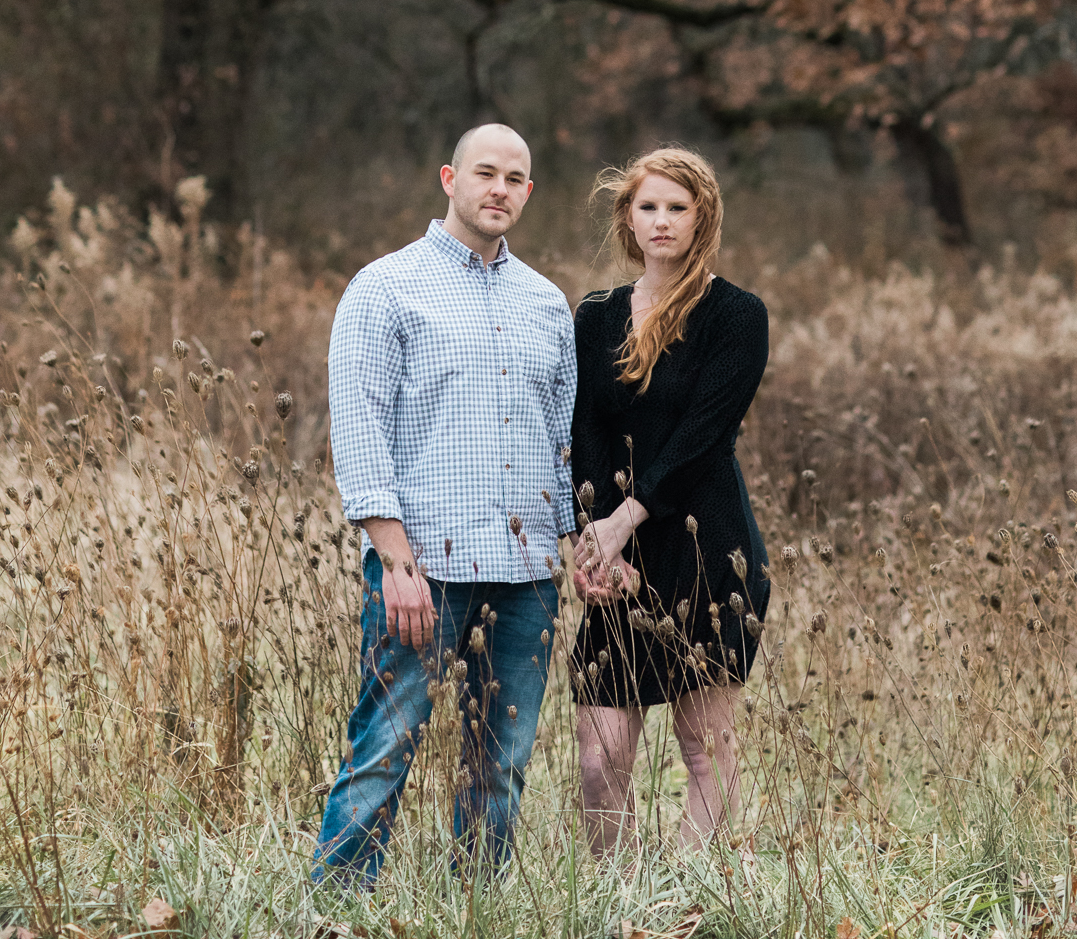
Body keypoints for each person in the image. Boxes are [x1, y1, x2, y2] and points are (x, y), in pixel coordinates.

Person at [312, 123, 577, 887]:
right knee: (383, 751)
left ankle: (475, 909)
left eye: (514, 178)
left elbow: (558, 445)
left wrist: (572, 548)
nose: (499, 189)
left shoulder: (546, 304)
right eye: (484, 173)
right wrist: (395, 563)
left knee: (500, 765)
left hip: (526, 577)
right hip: (425, 572)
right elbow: (360, 434)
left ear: (527, 192)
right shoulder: (386, 287)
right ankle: (336, 908)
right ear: (448, 179)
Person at [569, 145, 769, 854]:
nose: (660, 222)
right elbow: (584, 428)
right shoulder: (594, 317)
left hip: (706, 546)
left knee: (704, 742)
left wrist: (624, 519)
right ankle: (615, 902)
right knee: (600, 757)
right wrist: (590, 540)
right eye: (646, 207)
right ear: (628, 217)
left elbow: (700, 439)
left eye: (675, 209)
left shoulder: (736, 316)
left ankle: (681, 898)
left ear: (700, 218)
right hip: (614, 555)